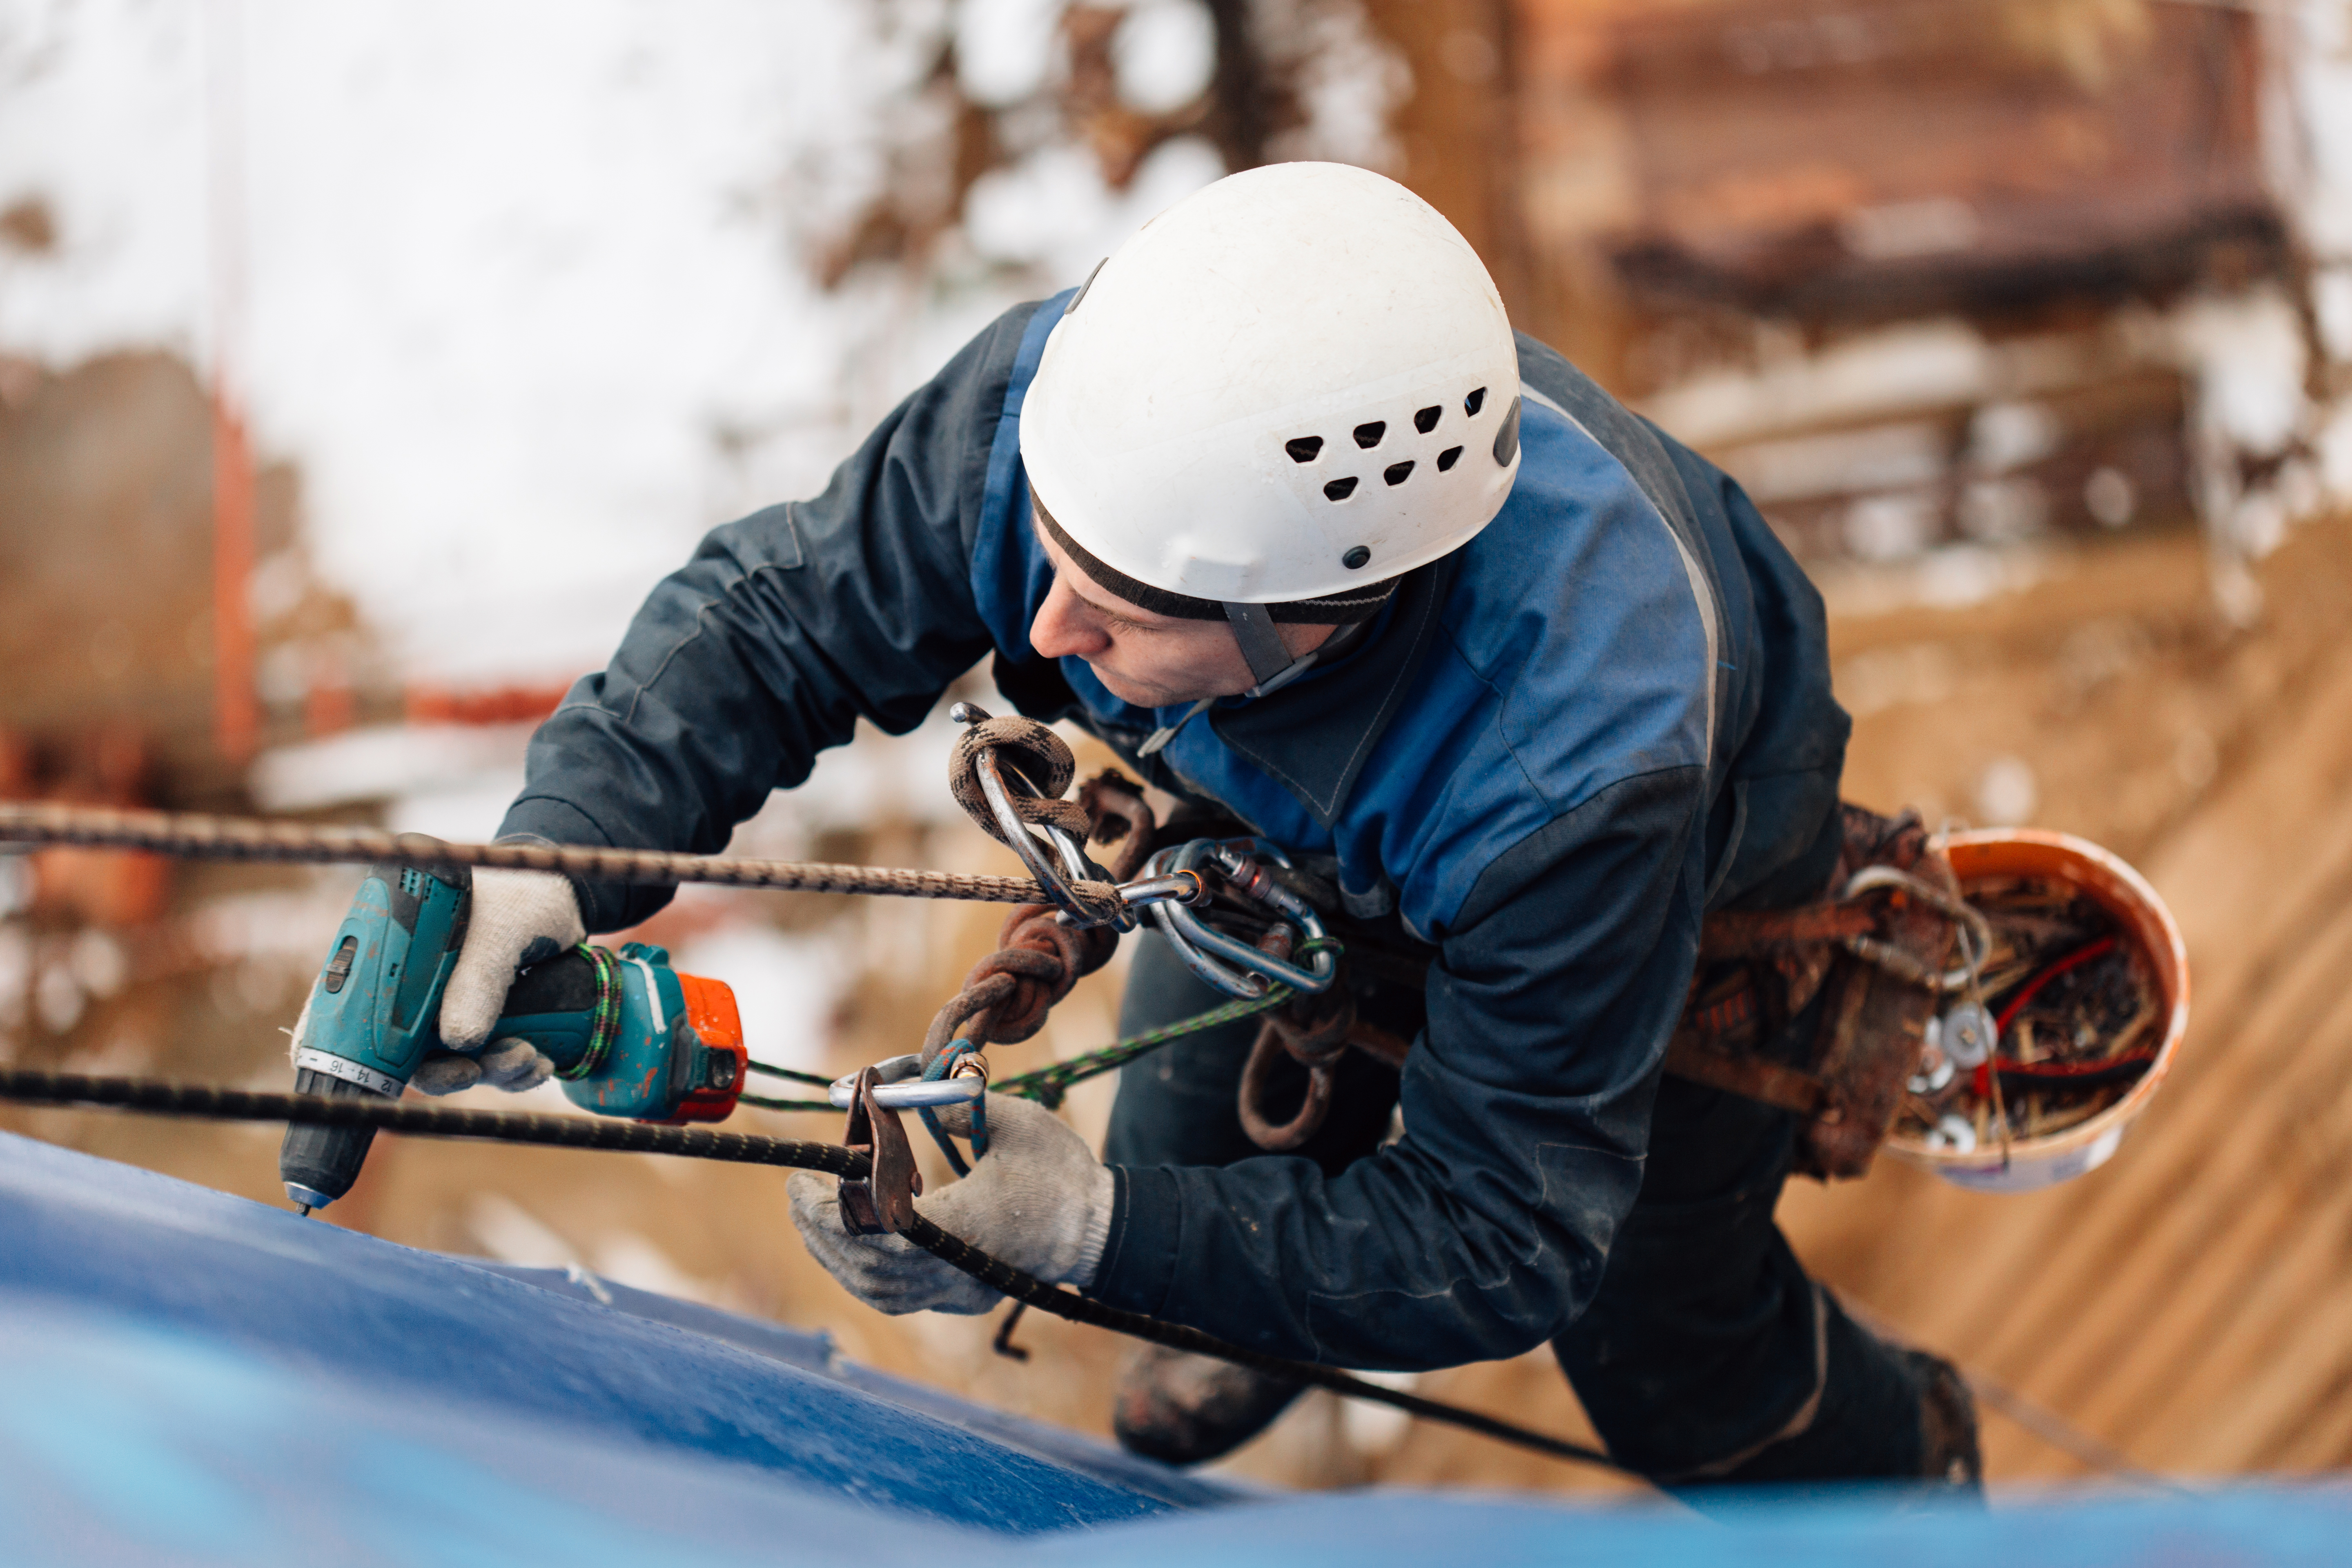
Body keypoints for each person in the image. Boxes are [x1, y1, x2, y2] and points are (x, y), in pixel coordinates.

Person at [423, 163, 1978, 1490]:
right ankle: (1258, 1298)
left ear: (1319, 610)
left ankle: (1909, 1467)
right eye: (1048, 552)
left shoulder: (1580, 758)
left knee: (1664, 1359)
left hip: (1664, 881)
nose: (1045, 627)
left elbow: (1506, 1231)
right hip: (1305, 828)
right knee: (1183, 1159)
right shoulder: (1085, 420)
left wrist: (1094, 1231)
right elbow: (780, 620)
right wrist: (554, 852)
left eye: (1121, 609)